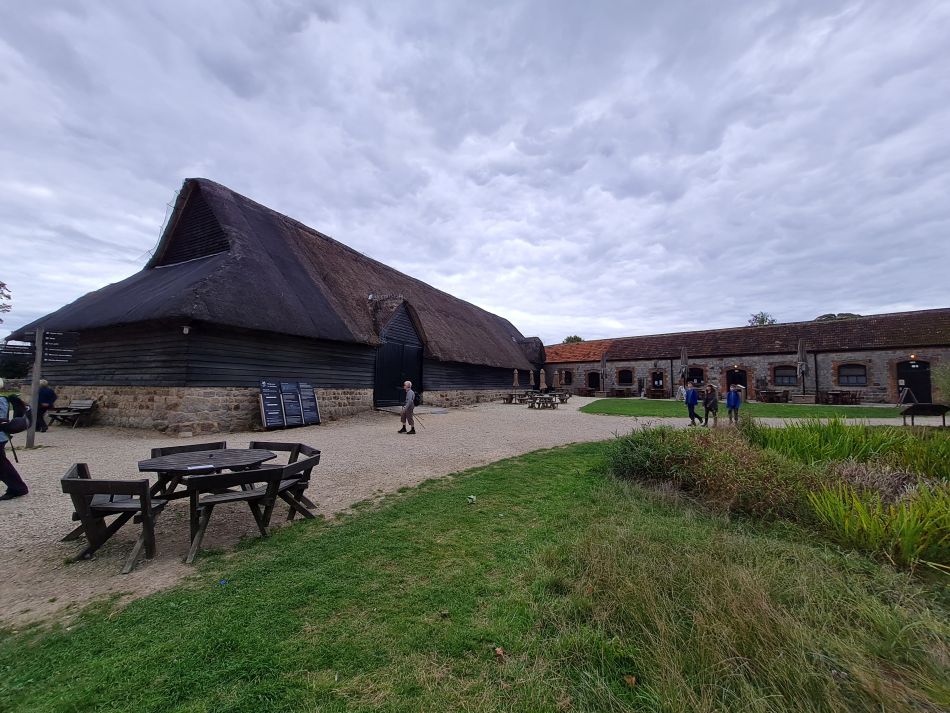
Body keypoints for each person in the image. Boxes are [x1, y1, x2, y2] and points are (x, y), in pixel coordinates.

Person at [0, 379, 29, 500]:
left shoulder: (1, 401)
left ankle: (18, 488)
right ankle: (17, 487)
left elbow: (2, 420)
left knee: (2, 465)